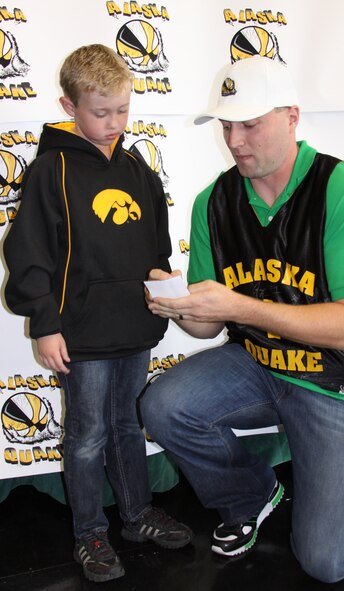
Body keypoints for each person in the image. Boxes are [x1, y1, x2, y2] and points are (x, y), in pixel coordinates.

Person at [139, 56, 344, 584]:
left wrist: (238, 307)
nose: (235, 140)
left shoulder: (342, 190)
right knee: (163, 404)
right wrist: (182, 306)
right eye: (227, 125)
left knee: (326, 563)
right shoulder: (213, 202)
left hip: (337, 378)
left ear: (292, 117)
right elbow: (209, 330)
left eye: (250, 123)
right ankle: (252, 497)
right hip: (257, 361)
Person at [3, 44, 192, 583]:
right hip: (80, 336)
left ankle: (136, 516)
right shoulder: (49, 171)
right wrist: (44, 322)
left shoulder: (139, 170)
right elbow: (28, 253)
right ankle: (89, 532)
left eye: (122, 111)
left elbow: (157, 251)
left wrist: (164, 287)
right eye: (99, 112)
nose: (113, 124)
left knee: (128, 427)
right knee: (86, 437)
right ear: (69, 105)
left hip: (134, 327)